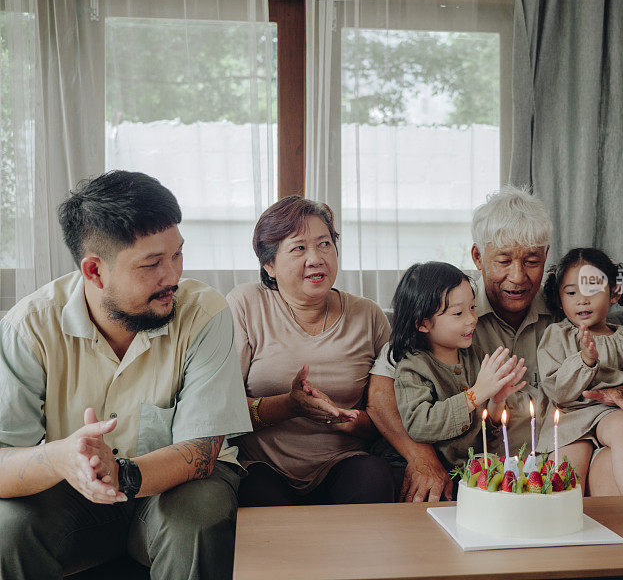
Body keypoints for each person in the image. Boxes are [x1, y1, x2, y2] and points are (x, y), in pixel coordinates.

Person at [0, 171, 252, 579]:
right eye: (152, 264)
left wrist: (122, 473)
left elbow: (203, 450)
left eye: (177, 256)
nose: (172, 276)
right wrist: (61, 457)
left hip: (177, 490)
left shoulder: (205, 313)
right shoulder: (28, 327)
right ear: (95, 272)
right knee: (6, 528)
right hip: (75, 497)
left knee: (196, 517)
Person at [367, 186, 623, 502]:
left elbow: (612, 339)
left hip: (559, 451)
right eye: (503, 260)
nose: (518, 277)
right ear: (478, 256)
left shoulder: (566, 302)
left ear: (546, 256)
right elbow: (381, 392)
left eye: (532, 261)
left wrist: (617, 386)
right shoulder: (450, 308)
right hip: (484, 466)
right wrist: (421, 458)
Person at [226, 195, 395, 506]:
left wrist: (345, 419)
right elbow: (223, 409)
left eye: (325, 244)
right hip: (263, 468)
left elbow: (387, 419)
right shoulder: (246, 304)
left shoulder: (368, 315)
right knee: (256, 495)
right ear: (269, 265)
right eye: (299, 248)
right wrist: (290, 405)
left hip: (343, 462)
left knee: (374, 476)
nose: (316, 258)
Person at [537, 248, 623, 495]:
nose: (581, 300)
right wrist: (585, 360)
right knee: (564, 478)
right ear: (559, 298)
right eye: (571, 292)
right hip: (570, 418)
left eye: (592, 290)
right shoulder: (557, 336)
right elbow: (558, 392)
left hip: (613, 414)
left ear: (614, 292)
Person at [390, 262, 527, 471]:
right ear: (423, 323)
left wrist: (496, 401)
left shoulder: (476, 357)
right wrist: (476, 394)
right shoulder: (412, 368)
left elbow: (487, 433)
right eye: (458, 313)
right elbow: (420, 425)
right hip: (438, 474)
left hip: (473, 473)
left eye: (472, 308)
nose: (472, 319)